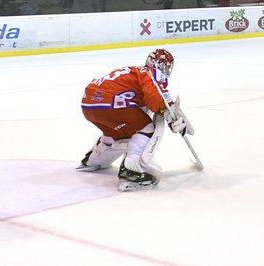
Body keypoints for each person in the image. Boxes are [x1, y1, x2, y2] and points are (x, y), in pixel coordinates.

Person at [78, 49, 191, 191]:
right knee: (147, 129)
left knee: (121, 133)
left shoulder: (133, 70)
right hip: (110, 103)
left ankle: (95, 160)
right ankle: (133, 171)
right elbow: (155, 98)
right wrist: (168, 115)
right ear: (162, 65)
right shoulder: (153, 73)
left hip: (89, 103)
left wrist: (169, 110)